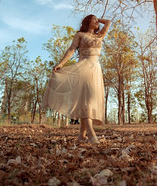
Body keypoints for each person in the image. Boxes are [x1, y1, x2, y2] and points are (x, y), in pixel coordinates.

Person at [42, 15, 111, 144]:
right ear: (87, 21)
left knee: (89, 100)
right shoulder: (80, 35)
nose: (97, 22)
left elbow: (108, 22)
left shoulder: (99, 36)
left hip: (95, 68)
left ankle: (81, 135)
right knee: (86, 100)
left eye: (97, 20)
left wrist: (98, 19)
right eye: (93, 19)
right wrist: (61, 64)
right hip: (83, 68)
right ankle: (91, 134)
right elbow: (71, 49)